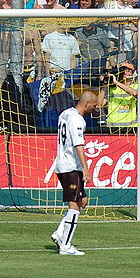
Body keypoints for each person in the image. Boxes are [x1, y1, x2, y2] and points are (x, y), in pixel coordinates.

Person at [51, 90, 98, 255]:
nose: (95, 108)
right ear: (86, 104)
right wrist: (85, 168)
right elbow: (78, 144)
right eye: (94, 105)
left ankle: (59, 233)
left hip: (66, 165)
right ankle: (66, 246)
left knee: (82, 201)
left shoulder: (65, 113)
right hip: (70, 167)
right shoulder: (77, 120)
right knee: (74, 206)